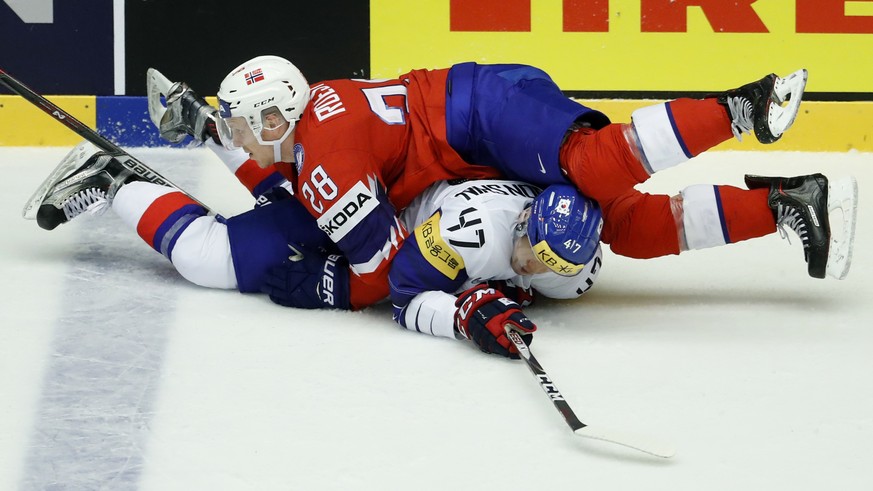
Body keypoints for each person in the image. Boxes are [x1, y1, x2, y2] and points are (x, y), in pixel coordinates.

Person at [141, 55, 852, 309]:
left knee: (589, 164)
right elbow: (289, 174)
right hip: (473, 142)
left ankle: (743, 104)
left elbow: (379, 277)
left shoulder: (326, 161)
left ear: (274, 118)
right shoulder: (313, 118)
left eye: (237, 121)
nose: (237, 131)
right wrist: (204, 127)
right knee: (624, 226)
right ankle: (786, 202)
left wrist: (318, 290)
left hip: (476, 114)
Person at [24, 140, 601, 357]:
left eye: (548, 265)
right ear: (524, 217)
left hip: (382, 184)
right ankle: (113, 178)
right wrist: (462, 315)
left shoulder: (579, 264)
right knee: (211, 259)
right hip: (374, 216)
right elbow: (402, 292)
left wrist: (486, 292)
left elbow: (510, 275)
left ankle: (213, 131)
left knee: (291, 191)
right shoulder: (466, 231)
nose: (531, 263)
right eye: (529, 246)